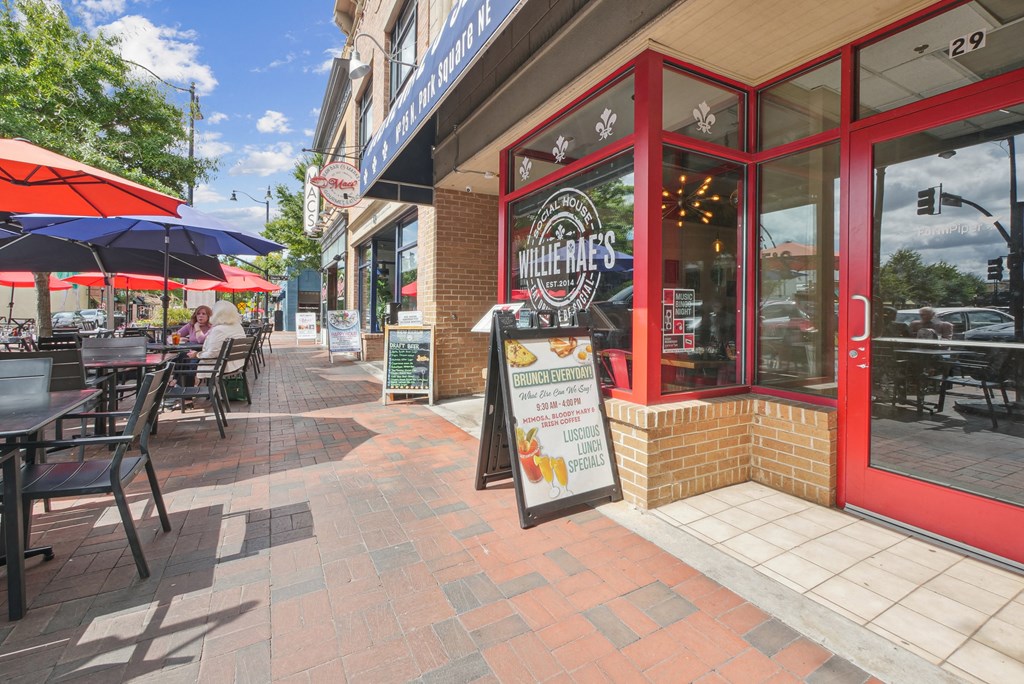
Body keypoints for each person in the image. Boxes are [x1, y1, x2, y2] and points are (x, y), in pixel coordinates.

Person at [187, 300, 247, 379]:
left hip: (219, 367)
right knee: (186, 359)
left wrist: (196, 354)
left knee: (184, 359)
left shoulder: (219, 330)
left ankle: (184, 387)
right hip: (235, 364)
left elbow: (212, 354)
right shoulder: (238, 327)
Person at [171, 305, 212, 387]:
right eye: (198, 314)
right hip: (190, 352)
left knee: (185, 359)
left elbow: (201, 340)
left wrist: (197, 327)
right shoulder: (190, 326)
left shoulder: (211, 327)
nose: (200, 315)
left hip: (202, 353)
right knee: (177, 357)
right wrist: (181, 338)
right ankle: (180, 382)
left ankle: (177, 381)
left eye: (204, 314)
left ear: (208, 316)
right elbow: (175, 335)